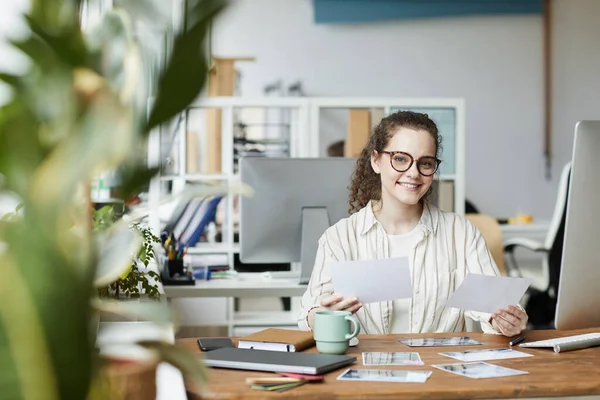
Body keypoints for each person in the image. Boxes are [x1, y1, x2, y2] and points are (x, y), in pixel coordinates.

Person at [297, 111, 528, 336]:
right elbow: (308, 314)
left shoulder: (461, 233)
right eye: (400, 159)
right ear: (376, 161)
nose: (413, 173)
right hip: (367, 368)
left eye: (425, 163)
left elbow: (496, 308)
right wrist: (321, 315)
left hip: (441, 370)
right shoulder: (339, 237)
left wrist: (508, 320)